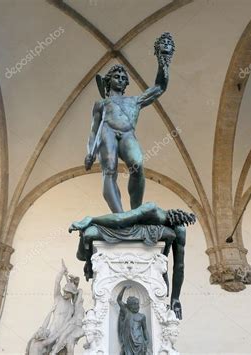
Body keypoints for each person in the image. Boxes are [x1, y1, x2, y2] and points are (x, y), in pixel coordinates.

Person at [84, 33, 175, 213]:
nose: (120, 78)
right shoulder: (101, 104)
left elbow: (159, 88)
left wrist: (163, 62)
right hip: (107, 132)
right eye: (116, 75)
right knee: (109, 171)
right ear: (108, 81)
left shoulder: (135, 101)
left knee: (138, 166)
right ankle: (119, 216)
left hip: (127, 134)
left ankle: (135, 212)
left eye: (123, 77)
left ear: (126, 83)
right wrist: (90, 152)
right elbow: (94, 130)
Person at [69, 201, 195, 319]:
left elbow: (179, 266)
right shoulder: (152, 209)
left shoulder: (178, 229)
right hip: (122, 228)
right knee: (86, 242)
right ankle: (88, 233)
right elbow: (119, 219)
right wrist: (91, 219)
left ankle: (87, 249)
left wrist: (175, 298)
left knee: (87, 239)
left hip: (136, 233)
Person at [26, 260, 83, 355]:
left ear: (72, 294)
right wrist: (62, 272)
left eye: (67, 292)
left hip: (63, 333)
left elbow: (77, 298)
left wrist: (75, 284)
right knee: (45, 352)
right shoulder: (58, 299)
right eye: (64, 291)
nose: (64, 293)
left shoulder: (72, 307)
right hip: (52, 331)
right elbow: (57, 283)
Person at [117, 285, 149, 355]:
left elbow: (145, 329)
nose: (137, 306)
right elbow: (119, 300)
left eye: (138, 304)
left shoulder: (142, 316)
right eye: (135, 305)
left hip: (139, 341)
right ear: (129, 306)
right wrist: (123, 288)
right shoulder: (127, 312)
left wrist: (146, 341)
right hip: (128, 340)